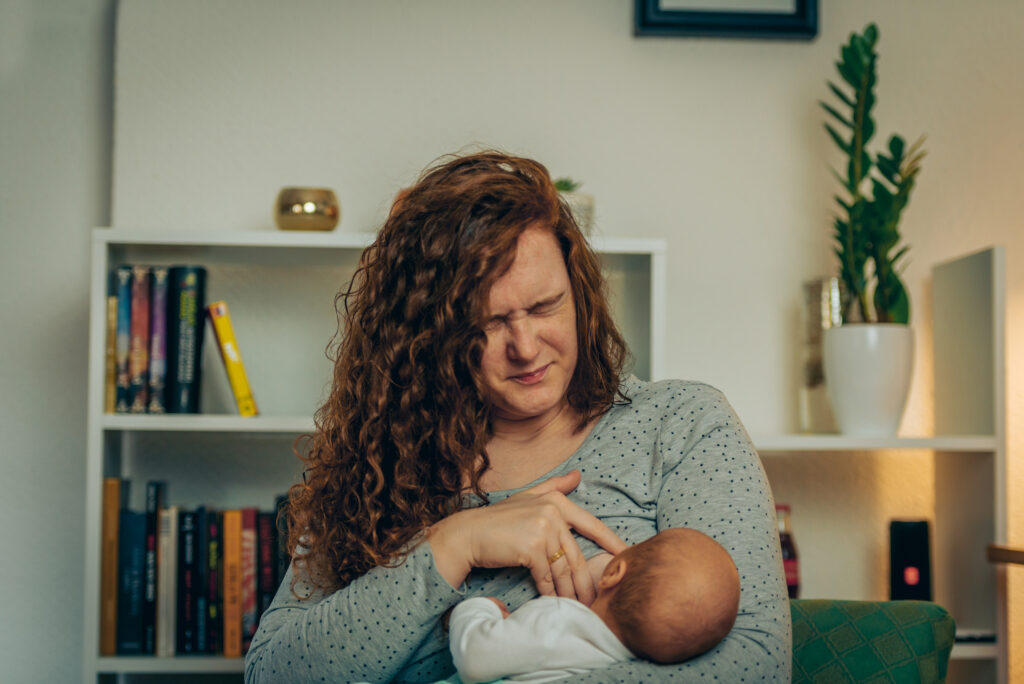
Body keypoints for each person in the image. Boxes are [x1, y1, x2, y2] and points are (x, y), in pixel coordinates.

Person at [244, 150, 791, 683]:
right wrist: (451, 546)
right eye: (487, 323)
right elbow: (271, 674)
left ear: (578, 293)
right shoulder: (373, 466)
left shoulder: (681, 425)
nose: (526, 347)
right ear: (428, 337)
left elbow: (754, 666)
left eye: (544, 306)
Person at [448, 528, 741, 683]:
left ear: (613, 573)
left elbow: (475, 661)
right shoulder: (621, 664)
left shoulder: (558, 620)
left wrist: (476, 609)